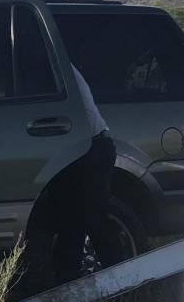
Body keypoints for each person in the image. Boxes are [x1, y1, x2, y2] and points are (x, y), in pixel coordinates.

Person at [25, 66, 117, 288]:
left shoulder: (50, 64)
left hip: (91, 147)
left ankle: (126, 281)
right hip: (75, 149)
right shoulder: (51, 61)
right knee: (71, 221)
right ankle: (66, 285)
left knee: (93, 220)